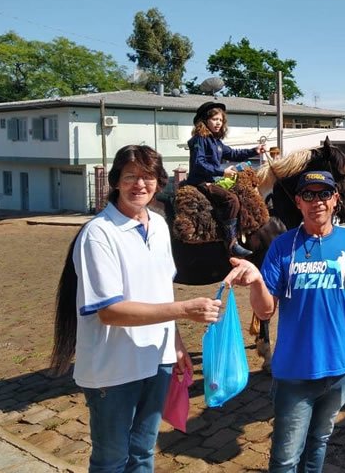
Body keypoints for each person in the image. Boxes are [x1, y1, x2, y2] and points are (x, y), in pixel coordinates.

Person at [50, 145, 222, 473]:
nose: (139, 184)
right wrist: (184, 309)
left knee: (143, 453)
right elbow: (110, 311)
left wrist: (176, 343)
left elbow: (160, 288)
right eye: (130, 176)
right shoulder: (99, 234)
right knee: (112, 461)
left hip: (157, 360)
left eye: (148, 177)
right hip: (113, 369)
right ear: (116, 181)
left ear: (159, 182)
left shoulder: (158, 225)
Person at [225, 170, 345, 473]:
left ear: (335, 199)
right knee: (285, 459)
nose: (317, 201)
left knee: (319, 442)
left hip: (339, 369)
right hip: (294, 373)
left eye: (324, 194)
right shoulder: (282, 246)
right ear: (298, 202)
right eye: (309, 195)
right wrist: (257, 282)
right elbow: (265, 312)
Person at [185, 101, 266, 257]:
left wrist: (254, 151)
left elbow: (234, 154)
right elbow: (198, 164)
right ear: (205, 120)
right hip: (200, 182)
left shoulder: (216, 142)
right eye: (215, 119)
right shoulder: (199, 139)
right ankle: (231, 243)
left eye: (221, 120)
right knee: (231, 200)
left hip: (212, 180)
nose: (218, 123)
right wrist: (222, 172)